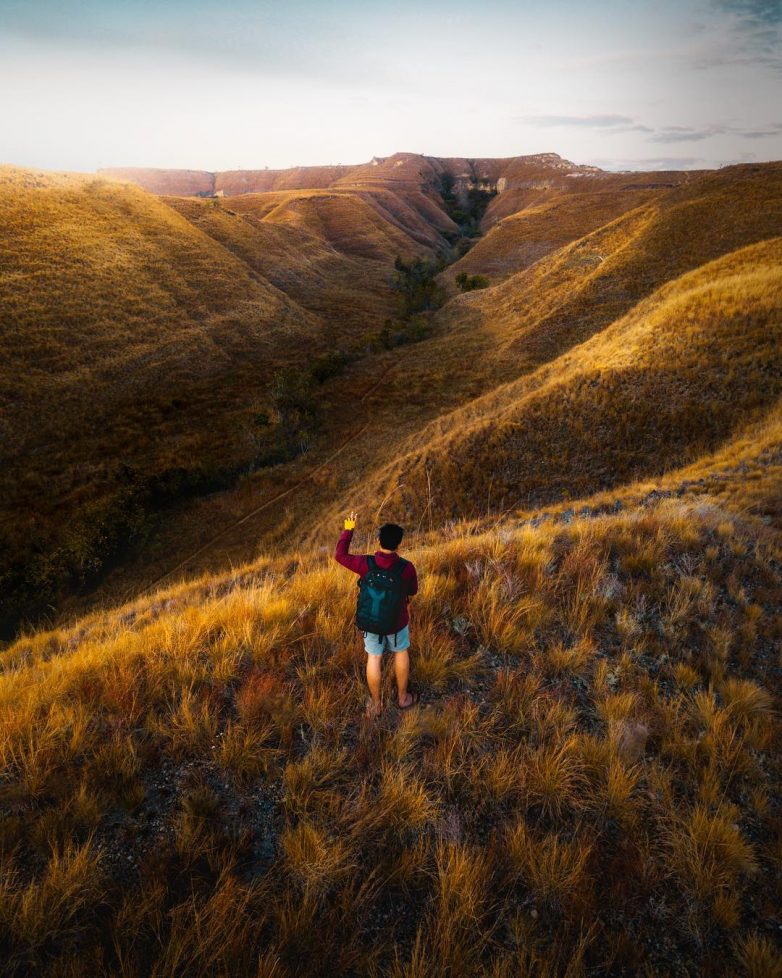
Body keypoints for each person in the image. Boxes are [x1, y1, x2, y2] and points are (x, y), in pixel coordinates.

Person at [335, 511, 419, 718]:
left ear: (378, 540)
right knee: (401, 653)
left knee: (374, 657)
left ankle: (376, 704)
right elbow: (412, 591)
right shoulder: (406, 568)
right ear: (399, 544)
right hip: (397, 622)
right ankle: (402, 698)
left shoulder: (366, 564)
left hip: (371, 622)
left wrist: (348, 529)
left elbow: (340, 555)